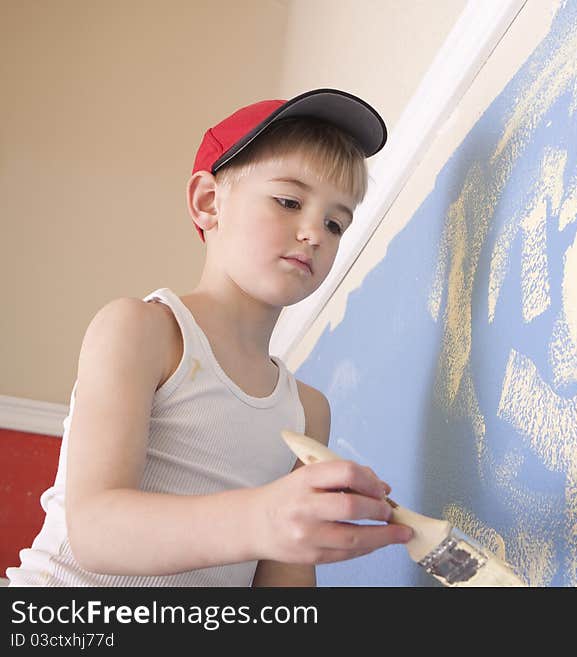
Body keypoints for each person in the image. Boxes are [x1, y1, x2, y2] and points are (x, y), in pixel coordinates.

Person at [6, 89, 413, 586]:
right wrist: (260, 520)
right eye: (289, 201)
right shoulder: (142, 331)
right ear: (207, 203)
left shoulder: (309, 412)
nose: (314, 233)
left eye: (335, 223)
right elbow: (94, 531)